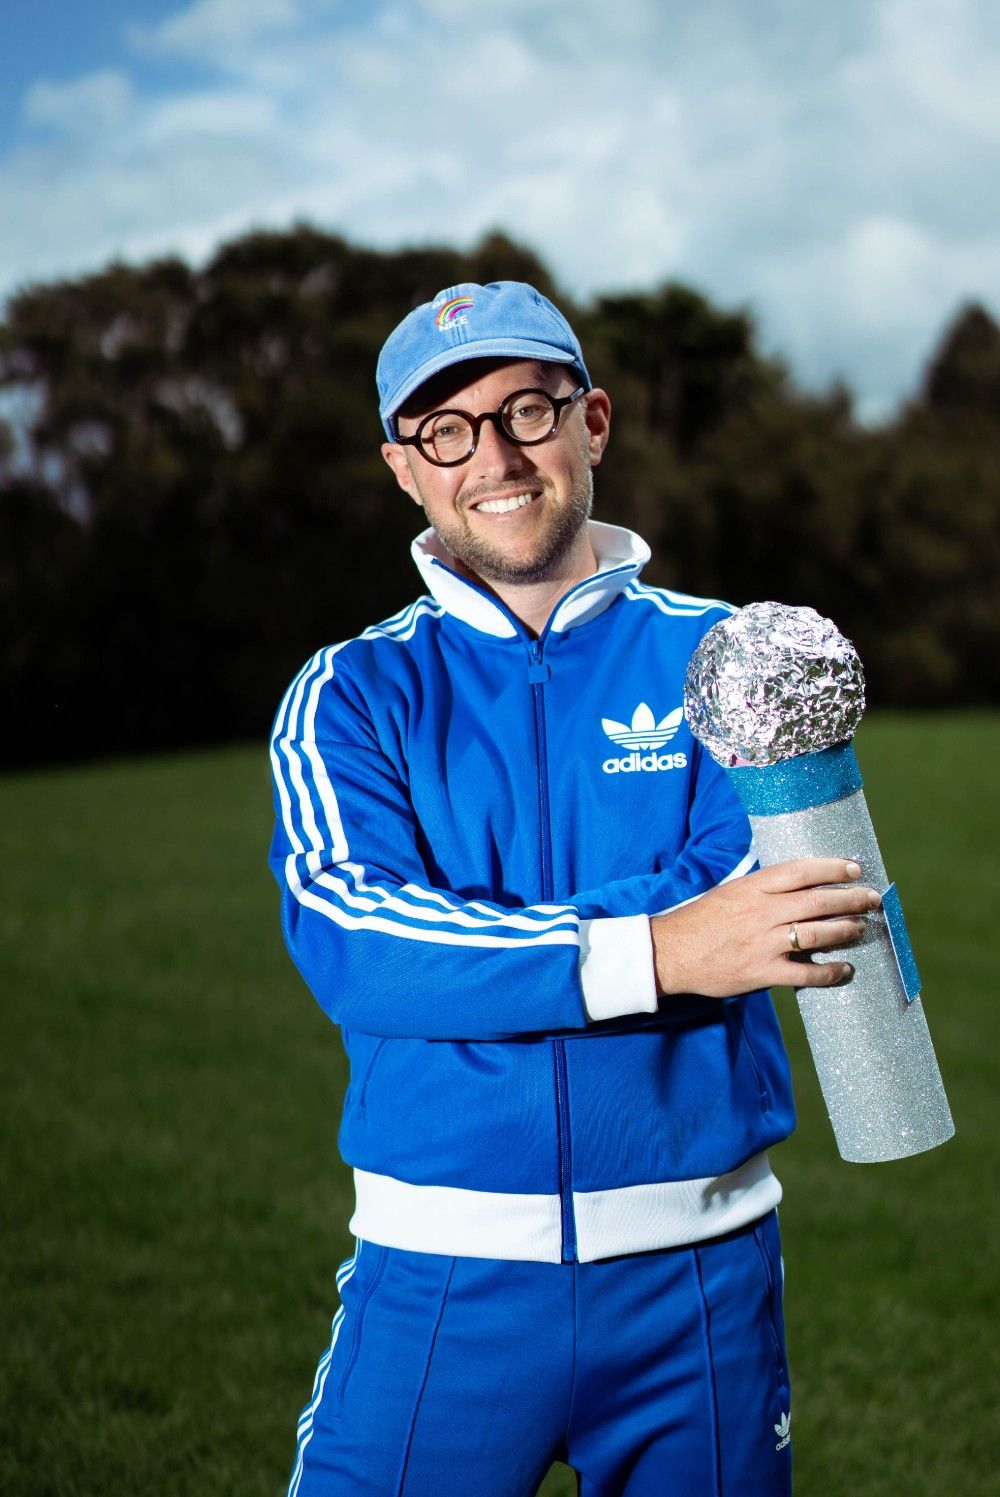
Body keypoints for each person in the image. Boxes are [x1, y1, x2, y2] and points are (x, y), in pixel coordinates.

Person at [268, 281, 879, 1496]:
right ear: (404, 467)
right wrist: (659, 950)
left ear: (591, 421)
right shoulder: (349, 693)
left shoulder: (733, 658)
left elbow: (772, 899)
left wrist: (477, 951)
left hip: (698, 1278)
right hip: (441, 1270)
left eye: (527, 411)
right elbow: (361, 940)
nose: (494, 457)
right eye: (447, 431)